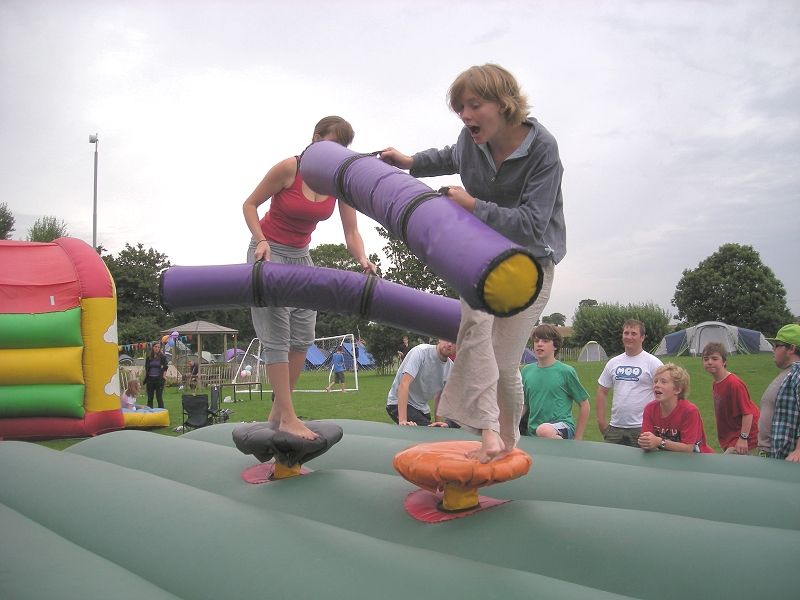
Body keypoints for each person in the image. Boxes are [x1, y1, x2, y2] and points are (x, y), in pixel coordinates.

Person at [380, 63, 564, 462]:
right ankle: (489, 435)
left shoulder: (543, 150)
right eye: (460, 107)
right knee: (474, 338)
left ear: (503, 104)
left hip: (528, 266)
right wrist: (410, 162)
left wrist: (473, 205)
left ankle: (507, 439)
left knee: (503, 360)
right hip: (480, 257)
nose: (465, 115)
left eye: (474, 105)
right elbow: (451, 155)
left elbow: (533, 225)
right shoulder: (470, 140)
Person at [243, 116, 376, 440]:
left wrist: (361, 257)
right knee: (277, 333)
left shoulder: (337, 181)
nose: (335, 153)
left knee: (303, 334)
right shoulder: (290, 168)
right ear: (315, 139)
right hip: (269, 252)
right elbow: (249, 204)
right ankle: (287, 416)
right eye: (330, 144)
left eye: (341, 149)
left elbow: (351, 230)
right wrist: (260, 239)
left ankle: (278, 411)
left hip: (303, 258)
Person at [595, 319, 663, 446]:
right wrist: (601, 422)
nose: (629, 337)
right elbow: (602, 391)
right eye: (626, 333)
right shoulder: (613, 362)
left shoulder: (653, 363)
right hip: (615, 428)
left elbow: (664, 394)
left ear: (642, 337)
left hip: (642, 427)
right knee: (612, 465)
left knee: (640, 466)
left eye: (633, 333)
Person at [520, 324, 589, 440]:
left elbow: (584, 404)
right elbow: (523, 404)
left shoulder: (566, 371)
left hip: (562, 427)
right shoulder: (526, 371)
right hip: (533, 433)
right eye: (536, 341)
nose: (539, 344)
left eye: (545, 341)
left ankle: (564, 448)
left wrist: (578, 437)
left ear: (555, 346)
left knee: (544, 430)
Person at [638, 363, 713, 453]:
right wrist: (646, 442)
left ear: (677, 389)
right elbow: (647, 439)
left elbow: (688, 448)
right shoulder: (650, 409)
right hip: (666, 458)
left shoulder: (689, 411)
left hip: (696, 459)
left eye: (663, 382)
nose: (657, 385)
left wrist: (659, 442)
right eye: (655, 381)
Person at [701, 342, 759, 454]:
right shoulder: (716, 383)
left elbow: (748, 413)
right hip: (731, 436)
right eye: (706, 359)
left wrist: (743, 438)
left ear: (724, 361)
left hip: (743, 436)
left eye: (714, 358)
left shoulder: (734, 384)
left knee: (727, 466)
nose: (709, 362)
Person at [386, 340, 457, 427]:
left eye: (454, 342)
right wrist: (403, 421)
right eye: (447, 339)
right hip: (397, 404)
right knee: (430, 434)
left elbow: (439, 398)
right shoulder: (421, 352)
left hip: (422, 410)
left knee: (433, 432)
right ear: (440, 339)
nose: (449, 344)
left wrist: (438, 424)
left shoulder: (451, 368)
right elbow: (404, 383)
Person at [768, 324, 800, 462]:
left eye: (777, 345)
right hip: (781, 458)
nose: (773, 349)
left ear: (791, 348)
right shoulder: (791, 373)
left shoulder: (798, 374)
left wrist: (799, 451)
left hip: (791, 462)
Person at [142, 341, 168, 409]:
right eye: (155, 347)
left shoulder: (163, 357)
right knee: (150, 397)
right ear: (153, 347)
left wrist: (164, 375)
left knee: (159, 397)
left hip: (159, 380)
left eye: (158, 347)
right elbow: (146, 367)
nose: (157, 348)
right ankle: (149, 411)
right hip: (150, 379)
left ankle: (161, 411)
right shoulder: (149, 357)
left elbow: (165, 367)